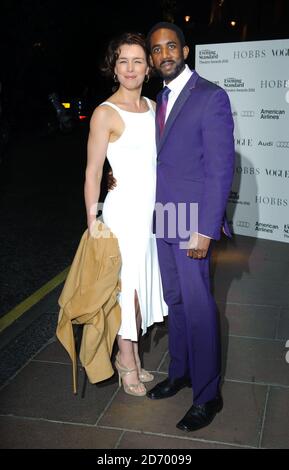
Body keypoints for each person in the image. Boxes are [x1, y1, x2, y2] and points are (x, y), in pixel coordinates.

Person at [144, 22, 235, 432]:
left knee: (199, 307)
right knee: (175, 301)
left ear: (186, 49)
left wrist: (205, 229)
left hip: (192, 220)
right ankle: (180, 372)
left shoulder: (211, 96)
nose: (165, 54)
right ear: (151, 57)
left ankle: (207, 395)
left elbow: (220, 169)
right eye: (157, 49)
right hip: (164, 215)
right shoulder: (156, 100)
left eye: (171, 46)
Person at [84, 32, 167, 397]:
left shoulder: (154, 107)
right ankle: (126, 359)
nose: (130, 68)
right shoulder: (105, 112)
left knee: (142, 287)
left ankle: (130, 354)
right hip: (122, 215)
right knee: (127, 292)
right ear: (113, 68)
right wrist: (93, 222)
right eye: (123, 61)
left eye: (137, 60)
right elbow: (92, 172)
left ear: (148, 68)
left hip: (153, 213)